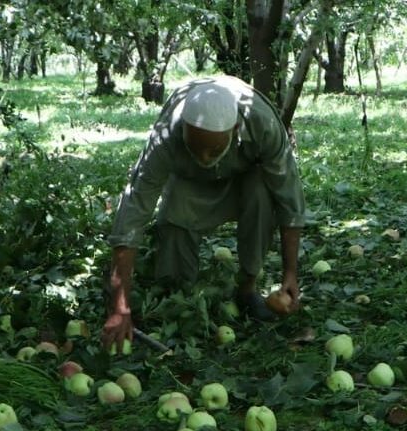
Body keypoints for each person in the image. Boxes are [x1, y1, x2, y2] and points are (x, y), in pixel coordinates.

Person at [101, 76, 307, 350]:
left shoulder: (263, 124)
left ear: (234, 129)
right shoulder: (166, 136)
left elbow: (289, 199)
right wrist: (120, 306)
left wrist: (290, 274)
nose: (206, 158)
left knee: (263, 193)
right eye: (197, 147)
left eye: (214, 149)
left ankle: (247, 288)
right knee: (173, 223)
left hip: (243, 180)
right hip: (188, 184)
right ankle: (177, 293)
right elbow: (133, 212)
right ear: (183, 128)